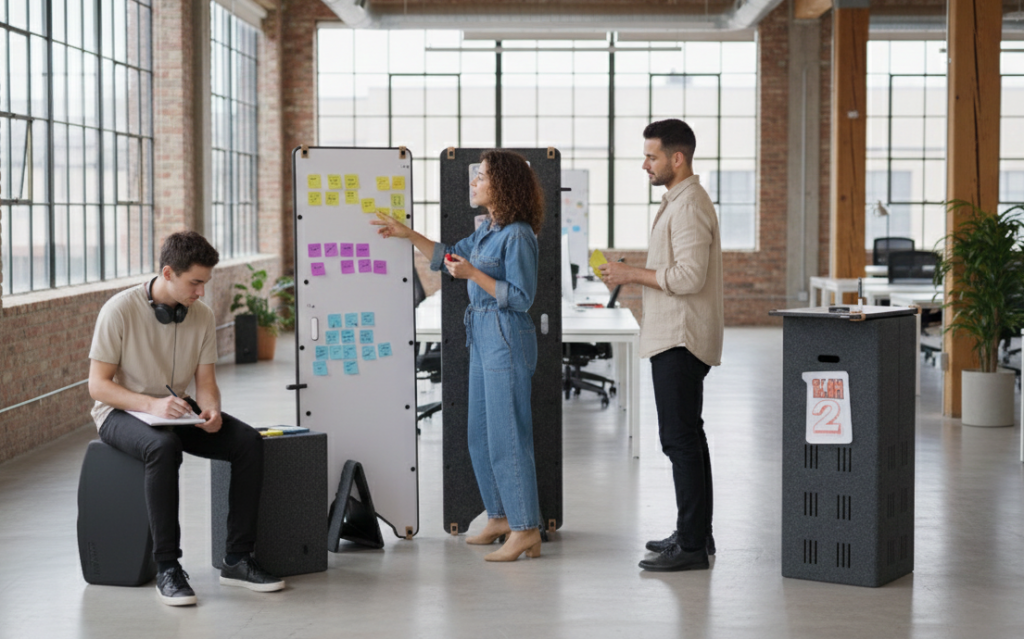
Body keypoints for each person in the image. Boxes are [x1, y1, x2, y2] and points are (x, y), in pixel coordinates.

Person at [88, 230, 284, 605]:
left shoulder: (202, 315)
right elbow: (98, 386)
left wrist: (209, 410)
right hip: (120, 412)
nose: (201, 292)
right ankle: (168, 567)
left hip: (177, 409)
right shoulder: (119, 310)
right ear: (167, 273)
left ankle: (237, 559)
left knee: (247, 442)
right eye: (195, 283)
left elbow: (206, 382)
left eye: (205, 283)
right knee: (163, 447)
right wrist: (150, 405)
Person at [372, 150, 544, 562]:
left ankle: (527, 529)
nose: (473, 182)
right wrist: (407, 234)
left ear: (501, 184)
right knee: (479, 433)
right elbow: (450, 254)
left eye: (481, 176)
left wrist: (473, 275)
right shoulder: (488, 228)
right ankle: (501, 516)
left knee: (507, 435)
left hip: (505, 332)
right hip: (481, 331)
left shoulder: (517, 234)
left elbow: (521, 298)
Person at [599, 119, 724, 572]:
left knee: (680, 441)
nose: (644, 165)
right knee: (690, 437)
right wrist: (633, 270)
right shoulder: (680, 200)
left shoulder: (688, 204)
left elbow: (689, 277)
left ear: (678, 158)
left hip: (681, 338)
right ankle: (696, 534)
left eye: (651, 156)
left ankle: (691, 546)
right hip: (676, 334)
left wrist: (631, 275)